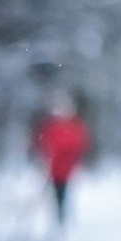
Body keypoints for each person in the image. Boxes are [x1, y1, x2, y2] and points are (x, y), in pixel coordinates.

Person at [32, 94, 92, 226]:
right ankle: (59, 216)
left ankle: (63, 216)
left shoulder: (74, 126)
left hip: (67, 167)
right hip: (55, 167)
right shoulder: (51, 127)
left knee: (64, 191)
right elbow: (43, 143)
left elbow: (80, 144)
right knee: (58, 192)